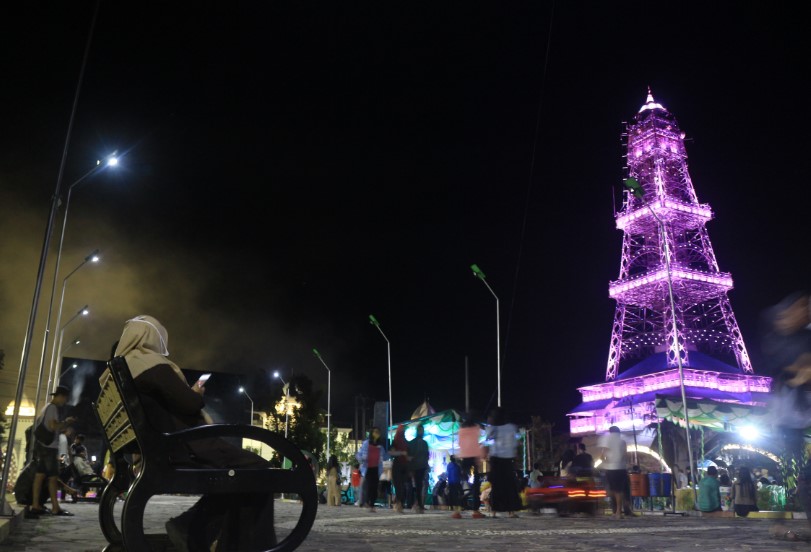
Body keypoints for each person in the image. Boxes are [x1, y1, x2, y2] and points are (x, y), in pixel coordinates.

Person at [113, 315, 276, 551]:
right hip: (185, 446)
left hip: (165, 446)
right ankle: (203, 532)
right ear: (151, 337)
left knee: (239, 477)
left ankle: (190, 527)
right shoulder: (151, 365)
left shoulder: (129, 367)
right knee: (260, 472)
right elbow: (190, 404)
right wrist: (196, 393)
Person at [760, 292, 811, 541]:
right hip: (789, 419)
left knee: (802, 473)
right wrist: (801, 371)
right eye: (802, 307)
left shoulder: (805, 335)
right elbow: (788, 371)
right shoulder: (778, 341)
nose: (806, 311)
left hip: (801, 415)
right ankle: (779, 522)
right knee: (794, 472)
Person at [28, 385, 77, 518]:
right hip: (49, 447)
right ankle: (55, 507)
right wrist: (66, 422)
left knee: (40, 476)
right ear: (60, 396)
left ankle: (35, 505)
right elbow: (53, 426)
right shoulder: (52, 408)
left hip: (41, 446)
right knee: (53, 478)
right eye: (65, 399)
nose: (65, 402)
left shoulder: (46, 407)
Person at [484, 407, 521, 518]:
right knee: (510, 486)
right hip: (508, 460)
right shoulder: (512, 427)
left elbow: (487, 441)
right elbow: (518, 438)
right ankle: (511, 511)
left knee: (497, 486)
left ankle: (494, 511)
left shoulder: (493, 428)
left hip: (496, 460)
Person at [458, 411, 485, 518]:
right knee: (476, 484)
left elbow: (460, 443)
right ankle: (475, 510)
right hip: (474, 456)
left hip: (465, 457)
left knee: (461, 485)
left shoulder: (461, 429)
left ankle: (457, 510)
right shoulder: (476, 428)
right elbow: (476, 443)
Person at [598, 425, 628, 520]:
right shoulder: (623, 442)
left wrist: (606, 463)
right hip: (622, 468)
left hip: (611, 468)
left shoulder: (607, 439)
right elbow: (624, 455)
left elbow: (602, 456)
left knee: (613, 490)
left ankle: (617, 511)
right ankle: (619, 510)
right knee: (619, 490)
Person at [356, 426, 389, 512]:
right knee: (369, 486)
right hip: (367, 468)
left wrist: (391, 453)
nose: (377, 434)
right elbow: (359, 454)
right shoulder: (366, 443)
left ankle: (371, 504)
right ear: (372, 433)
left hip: (376, 469)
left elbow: (385, 457)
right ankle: (367, 502)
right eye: (375, 432)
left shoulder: (380, 446)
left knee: (374, 487)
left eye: (378, 432)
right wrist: (361, 458)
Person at [407, 424, 430, 513]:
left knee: (419, 486)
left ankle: (419, 504)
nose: (421, 432)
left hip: (421, 467)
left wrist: (426, 466)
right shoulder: (412, 443)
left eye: (422, 430)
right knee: (414, 487)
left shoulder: (424, 443)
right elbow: (409, 456)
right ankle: (415, 504)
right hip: (414, 468)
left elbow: (427, 456)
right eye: (420, 430)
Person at [388, 424, 409, 513]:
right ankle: (398, 504)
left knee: (401, 486)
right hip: (398, 466)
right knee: (399, 487)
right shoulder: (395, 442)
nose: (402, 432)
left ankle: (399, 503)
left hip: (403, 466)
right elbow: (391, 453)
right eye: (401, 430)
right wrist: (401, 453)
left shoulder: (405, 442)